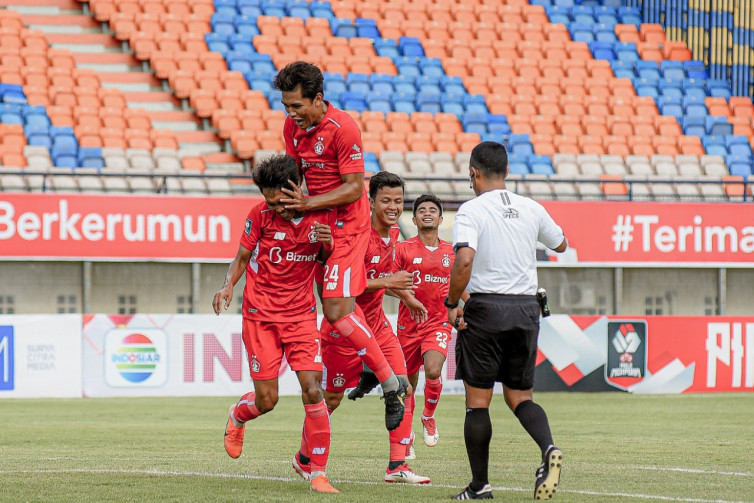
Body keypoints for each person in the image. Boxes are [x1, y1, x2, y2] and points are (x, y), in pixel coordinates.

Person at [272, 61, 406, 432]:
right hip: (318, 225)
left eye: (297, 106)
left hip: (348, 226)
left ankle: (391, 384)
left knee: (335, 309)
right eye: (286, 106)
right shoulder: (291, 128)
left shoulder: (343, 128)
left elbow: (352, 188)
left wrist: (307, 204)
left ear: (318, 98)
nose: (291, 114)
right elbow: (295, 174)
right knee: (337, 306)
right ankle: (373, 369)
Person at [445, 141, 568, 501]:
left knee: (478, 402)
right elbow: (560, 244)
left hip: (485, 310)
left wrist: (453, 302)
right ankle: (548, 448)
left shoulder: (471, 210)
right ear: (508, 172)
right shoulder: (531, 207)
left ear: (473, 173)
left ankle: (480, 486)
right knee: (520, 396)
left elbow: (464, 260)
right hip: (526, 309)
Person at [212, 154, 339, 494]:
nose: (276, 208)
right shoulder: (260, 215)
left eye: (280, 201)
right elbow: (241, 258)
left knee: (314, 390)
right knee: (268, 400)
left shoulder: (319, 216)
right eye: (269, 202)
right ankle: (239, 414)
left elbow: (327, 260)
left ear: (296, 188)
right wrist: (228, 286)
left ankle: (317, 472)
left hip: (300, 316)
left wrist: (327, 243)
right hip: (260, 317)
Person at [304, 171, 430, 485]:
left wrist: (406, 297)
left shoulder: (393, 234)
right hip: (344, 325)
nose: (393, 206)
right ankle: (304, 457)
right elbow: (347, 287)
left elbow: (377, 280)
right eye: (385, 200)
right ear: (370, 202)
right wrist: (392, 282)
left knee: (404, 386)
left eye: (398, 201)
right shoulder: (356, 237)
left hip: (376, 323)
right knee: (330, 399)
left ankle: (397, 466)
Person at [393, 194, 468, 453]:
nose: (427, 212)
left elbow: (461, 286)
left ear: (440, 218)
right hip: (408, 326)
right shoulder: (402, 250)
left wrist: (466, 308)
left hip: (438, 323)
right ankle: (406, 435)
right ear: (413, 219)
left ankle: (428, 417)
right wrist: (408, 298)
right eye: (421, 209)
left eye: (432, 210)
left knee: (434, 370)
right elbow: (388, 283)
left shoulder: (452, 252)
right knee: (407, 386)